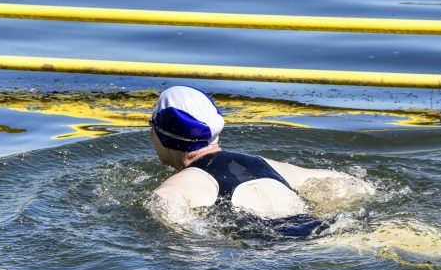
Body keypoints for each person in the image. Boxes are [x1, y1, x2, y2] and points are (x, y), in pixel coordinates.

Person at [148, 86, 375, 237]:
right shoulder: (268, 164)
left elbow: (183, 238)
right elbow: (357, 186)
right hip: (329, 230)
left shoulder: (175, 188)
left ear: (159, 134)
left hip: (264, 247)